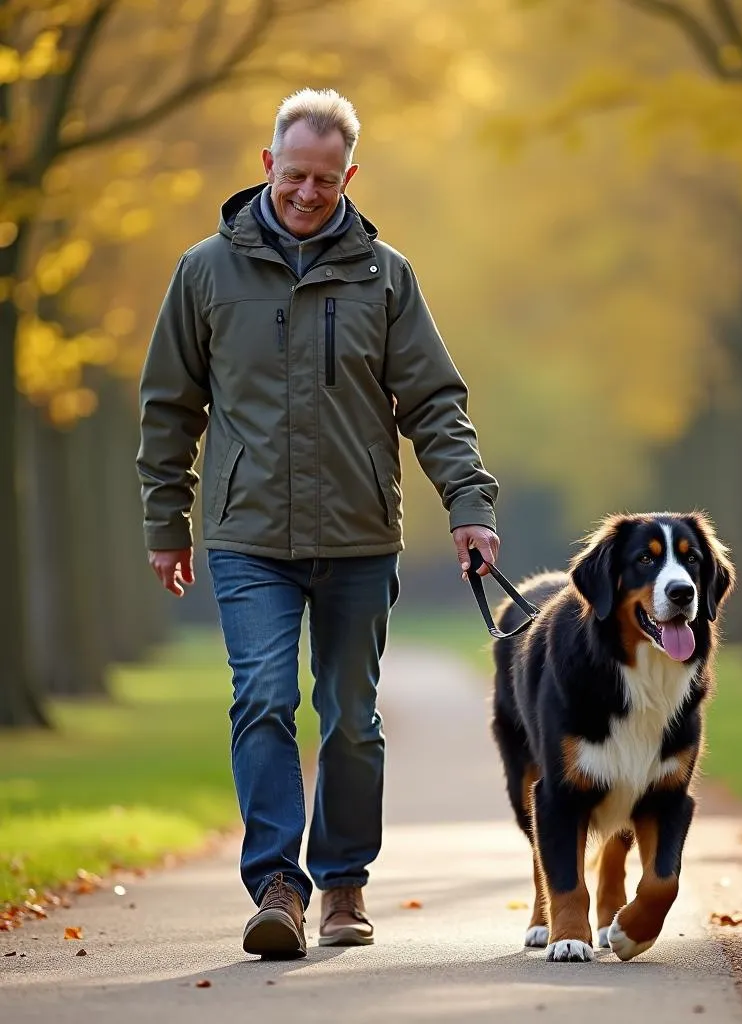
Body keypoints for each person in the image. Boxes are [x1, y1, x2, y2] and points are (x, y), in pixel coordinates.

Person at [136, 88, 500, 959]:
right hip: (248, 535)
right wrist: (166, 521)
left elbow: (435, 401)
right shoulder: (204, 273)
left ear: (350, 177)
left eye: (326, 180)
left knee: (350, 717)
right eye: (295, 174)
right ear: (267, 166)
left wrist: (470, 506)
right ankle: (275, 886)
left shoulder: (386, 275)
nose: (308, 193)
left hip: (359, 537)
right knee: (261, 699)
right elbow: (168, 408)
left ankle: (342, 883)